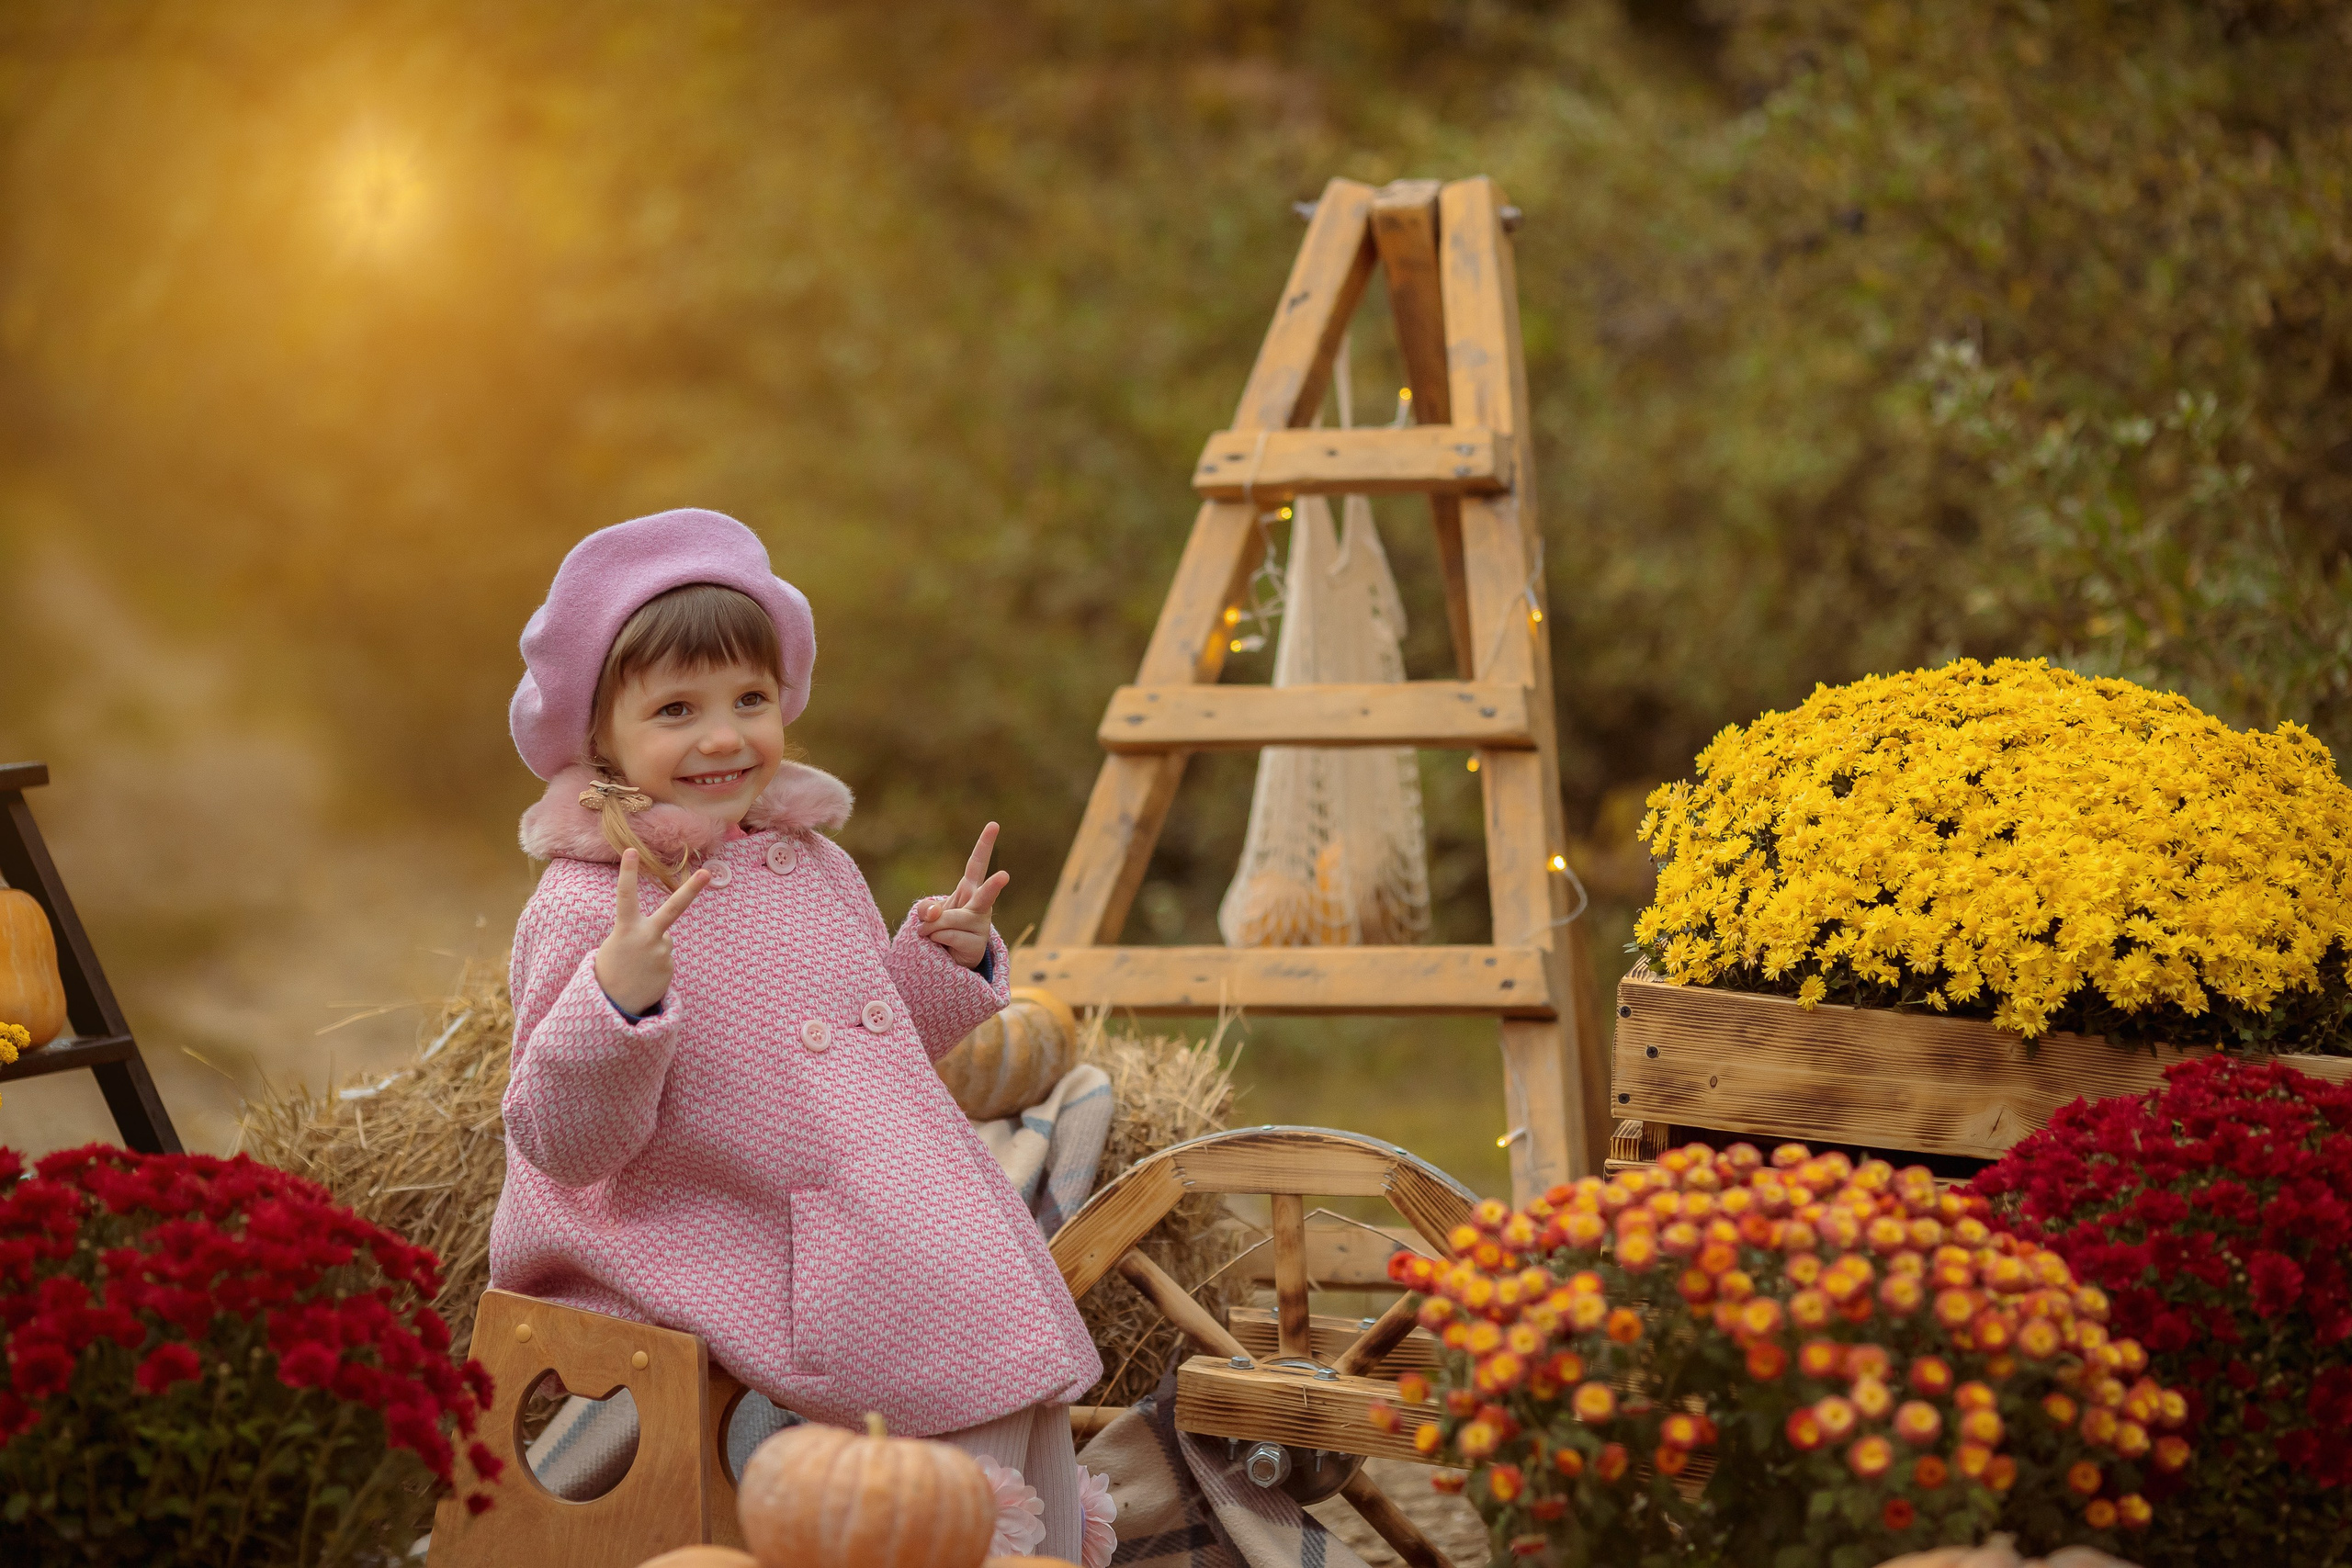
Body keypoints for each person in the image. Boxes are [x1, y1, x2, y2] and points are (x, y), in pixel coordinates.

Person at [489, 508, 1109, 1562]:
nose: (724, 737)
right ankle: (964, 1535)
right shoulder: (594, 905)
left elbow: (856, 1051)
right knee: (943, 1321)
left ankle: (1033, 1528)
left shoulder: (810, 864)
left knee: (1005, 1353)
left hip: (843, 1192)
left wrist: (940, 964)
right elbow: (563, 1142)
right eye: (677, 709)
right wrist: (617, 1002)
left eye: (750, 700)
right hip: (708, 1219)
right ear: (601, 736)